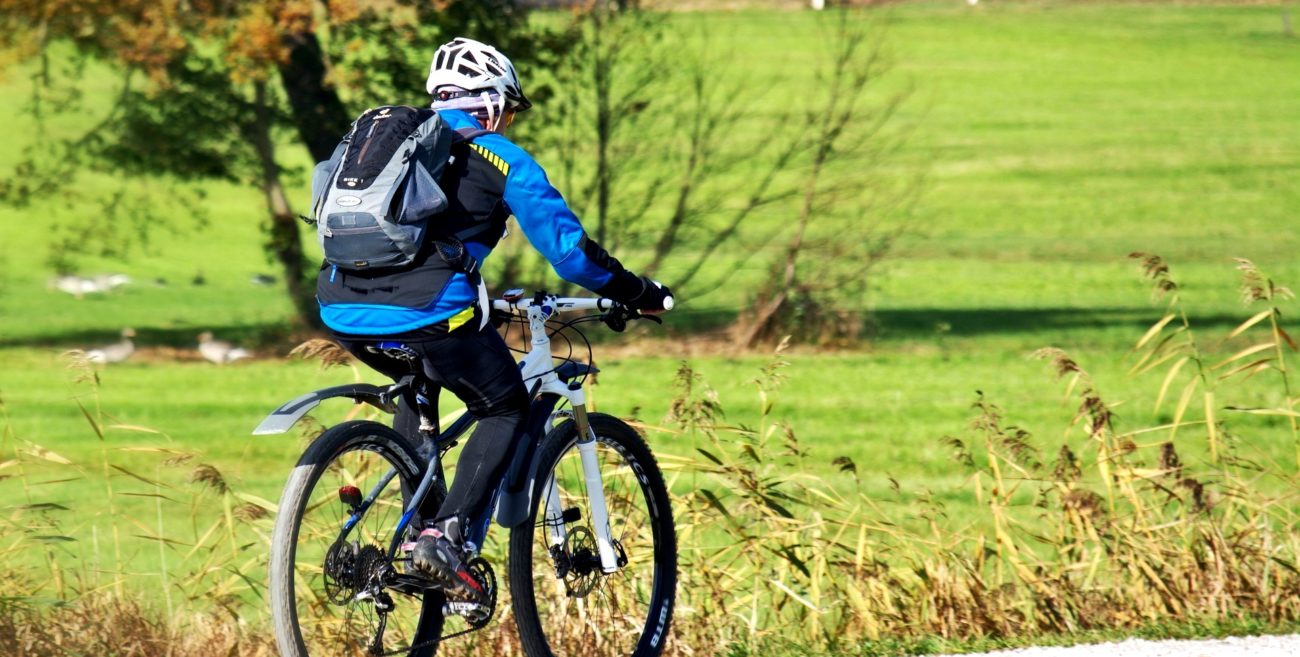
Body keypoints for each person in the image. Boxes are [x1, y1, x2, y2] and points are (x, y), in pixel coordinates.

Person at [315, 37, 672, 597]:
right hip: (432, 310)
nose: (506, 121)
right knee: (503, 404)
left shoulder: (387, 147)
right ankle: (447, 536)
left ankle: (413, 532)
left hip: (341, 309)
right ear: (489, 103)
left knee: (420, 380)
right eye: (506, 109)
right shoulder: (499, 157)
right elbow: (570, 253)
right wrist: (638, 291)